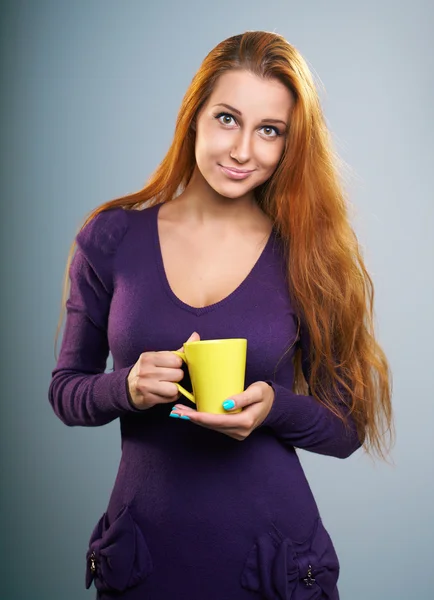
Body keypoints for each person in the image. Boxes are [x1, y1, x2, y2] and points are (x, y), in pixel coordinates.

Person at [49, 30, 393, 599]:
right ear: (194, 118)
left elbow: (348, 428)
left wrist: (273, 408)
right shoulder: (110, 238)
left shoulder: (307, 253)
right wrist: (127, 389)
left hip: (273, 565)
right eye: (228, 119)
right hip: (144, 560)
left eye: (270, 131)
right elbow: (66, 391)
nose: (242, 151)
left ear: (289, 144)